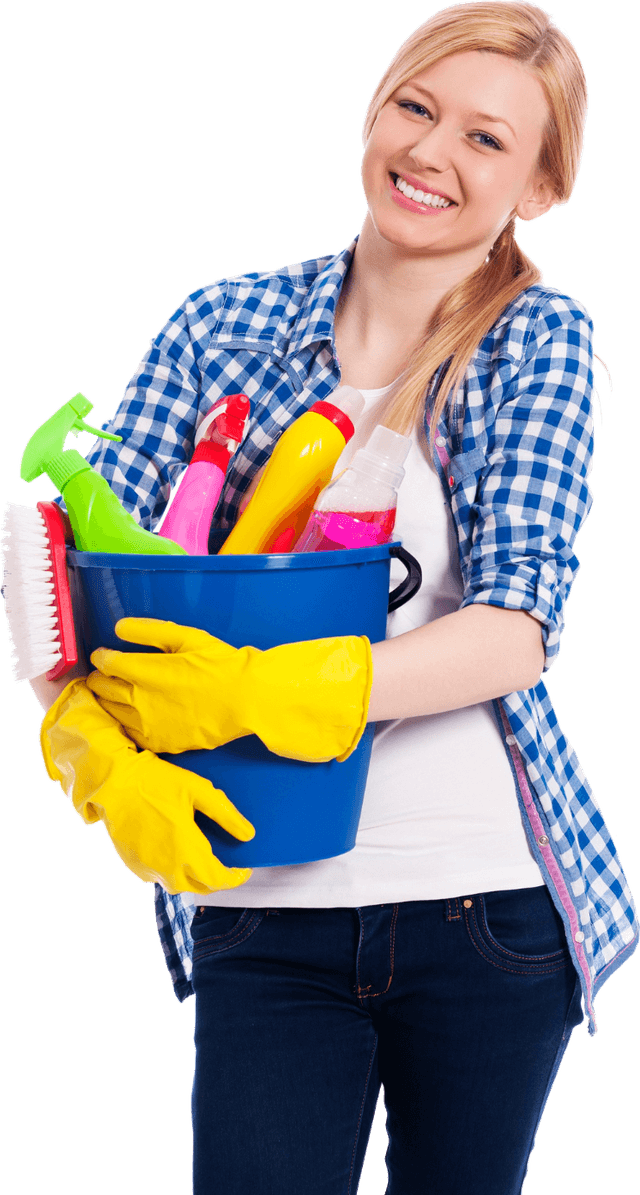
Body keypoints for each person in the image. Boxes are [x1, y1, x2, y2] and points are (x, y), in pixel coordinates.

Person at [30, 2, 638, 1192]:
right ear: (372, 111)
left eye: (485, 139)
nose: (431, 152)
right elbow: (73, 578)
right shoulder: (222, 324)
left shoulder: (537, 342)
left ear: (541, 185)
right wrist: (89, 746)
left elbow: (516, 629)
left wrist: (274, 688)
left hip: (483, 909)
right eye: (416, 107)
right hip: (263, 899)